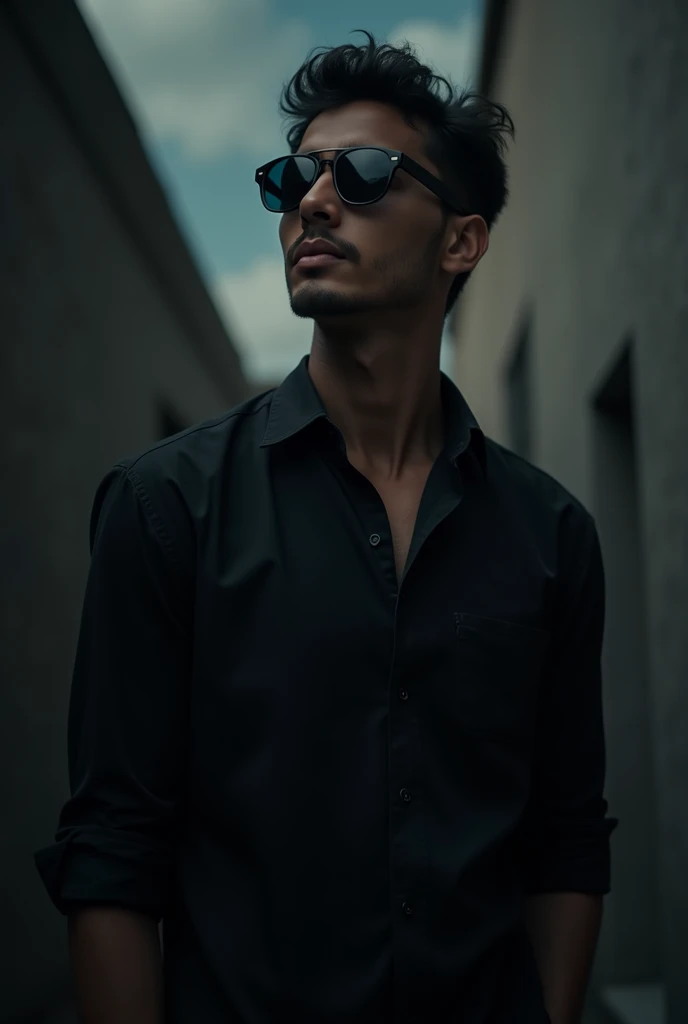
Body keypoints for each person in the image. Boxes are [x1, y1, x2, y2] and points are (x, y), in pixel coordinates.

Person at [35, 32, 617, 1024]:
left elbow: (563, 840)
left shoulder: (550, 534)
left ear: (461, 241)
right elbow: (113, 857)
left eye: (365, 173)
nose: (313, 197)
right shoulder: (164, 505)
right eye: (295, 175)